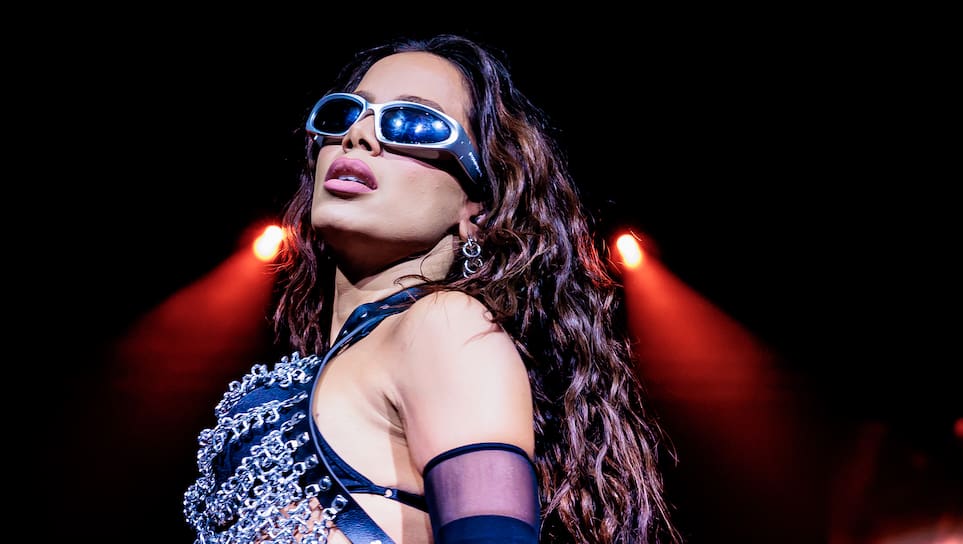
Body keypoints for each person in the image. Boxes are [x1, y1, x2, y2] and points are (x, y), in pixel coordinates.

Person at [181, 33, 683, 544]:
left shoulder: (445, 324)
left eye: (413, 123)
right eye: (344, 113)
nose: (359, 136)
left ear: (478, 208)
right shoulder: (353, 355)